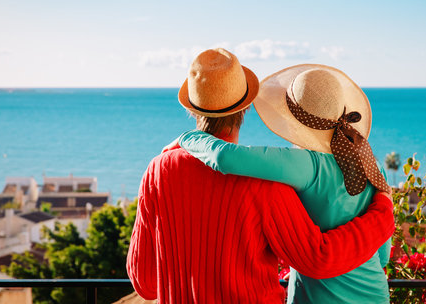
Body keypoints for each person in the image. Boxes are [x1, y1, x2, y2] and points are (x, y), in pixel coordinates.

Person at [126, 48, 395, 303]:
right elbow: (318, 258)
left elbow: (145, 283)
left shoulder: (157, 171)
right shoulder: (266, 183)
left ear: (192, 109)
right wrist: (383, 214)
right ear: (244, 108)